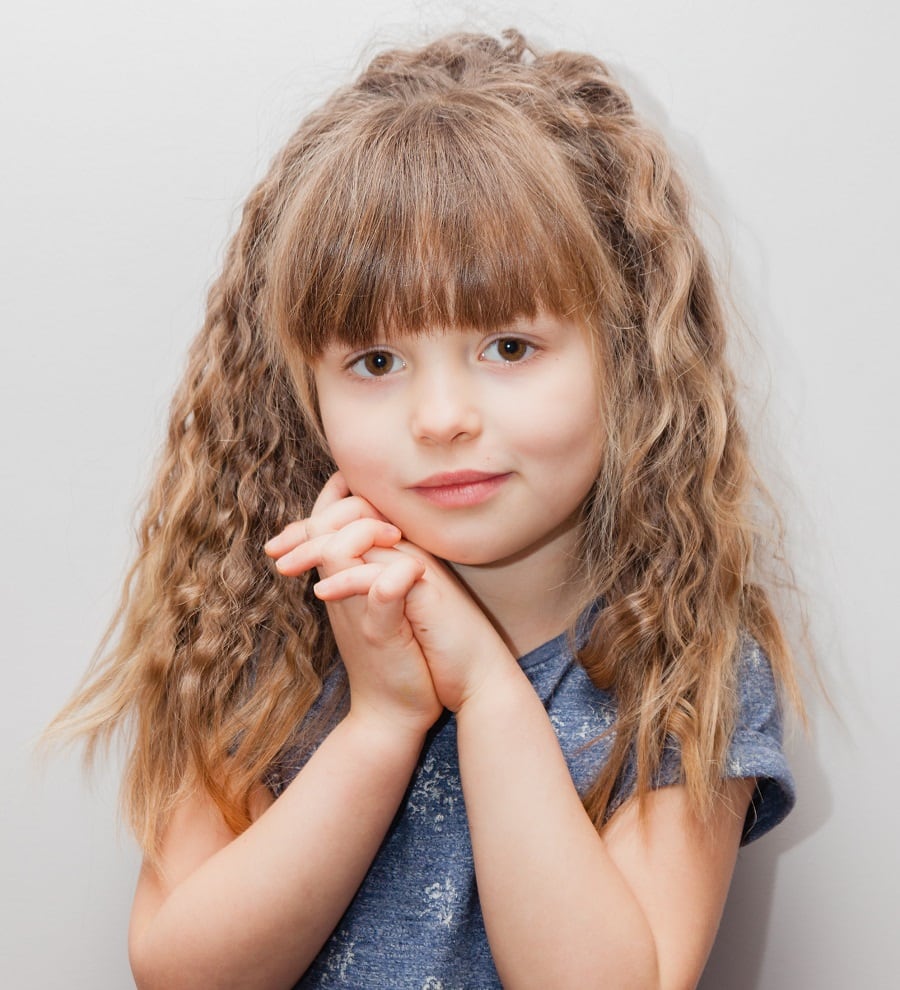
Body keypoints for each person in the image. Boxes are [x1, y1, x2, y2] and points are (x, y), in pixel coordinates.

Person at [48, 28, 802, 989]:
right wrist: (382, 721)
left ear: (630, 358)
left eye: (509, 348)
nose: (442, 419)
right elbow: (184, 973)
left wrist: (487, 690)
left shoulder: (684, 661)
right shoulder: (252, 625)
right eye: (375, 362)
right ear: (302, 392)